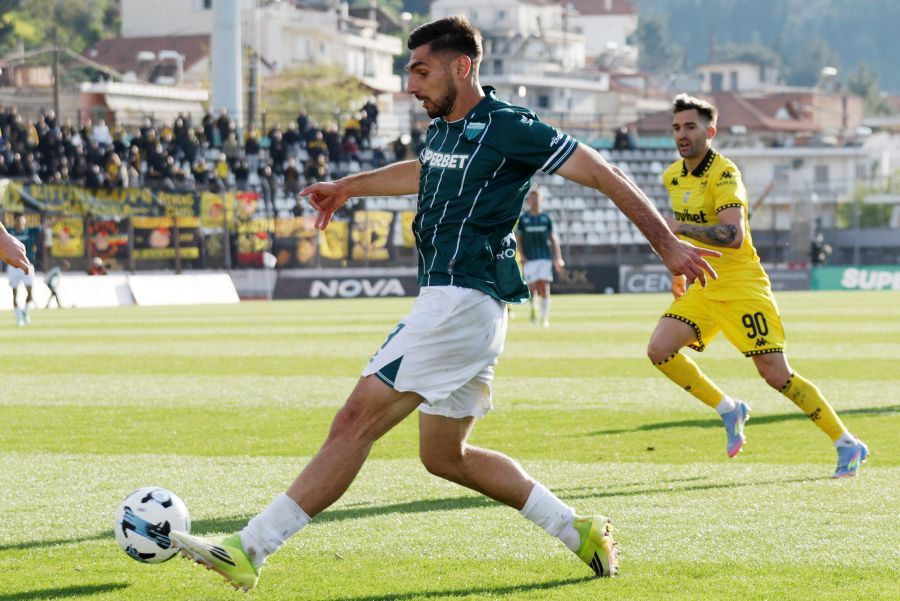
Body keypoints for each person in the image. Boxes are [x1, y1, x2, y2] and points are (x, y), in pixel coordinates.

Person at [170, 16, 718, 592]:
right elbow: (423, 169)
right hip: (464, 307)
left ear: (462, 66)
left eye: (421, 71)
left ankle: (250, 547)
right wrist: (349, 186)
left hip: (460, 301)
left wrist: (667, 246)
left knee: (354, 421)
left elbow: (602, 172)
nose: (411, 85)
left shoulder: (509, 126)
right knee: (445, 456)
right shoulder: (444, 131)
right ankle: (576, 529)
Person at [646, 93, 868, 478]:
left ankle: (847, 443)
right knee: (659, 350)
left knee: (775, 375)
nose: (682, 134)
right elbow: (681, 238)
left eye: (691, 126)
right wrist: (678, 270)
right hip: (705, 284)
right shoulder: (672, 177)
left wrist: (680, 227)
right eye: (677, 127)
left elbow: (732, 235)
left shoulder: (725, 174)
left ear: (710, 132)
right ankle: (729, 409)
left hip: (741, 286)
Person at [516, 187, 564, 327]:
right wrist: (522, 255)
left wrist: (558, 257)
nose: (534, 199)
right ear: (529, 200)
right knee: (532, 287)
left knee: (544, 286)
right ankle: (533, 307)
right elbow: (519, 239)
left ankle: (544, 319)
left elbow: (553, 238)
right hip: (529, 259)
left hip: (544, 258)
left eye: (537, 197)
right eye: (532, 197)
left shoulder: (546, 218)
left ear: (541, 199)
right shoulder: (523, 219)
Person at [7, 213, 41, 326]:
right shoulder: (9, 232)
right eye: (18, 221)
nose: (20, 223)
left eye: (22, 221)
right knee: (14, 293)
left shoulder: (31, 231)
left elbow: (46, 225)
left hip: (27, 265)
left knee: (30, 292)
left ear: (25, 221)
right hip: (13, 266)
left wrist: (59, 218)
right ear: (15, 221)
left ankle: (25, 311)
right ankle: (18, 317)